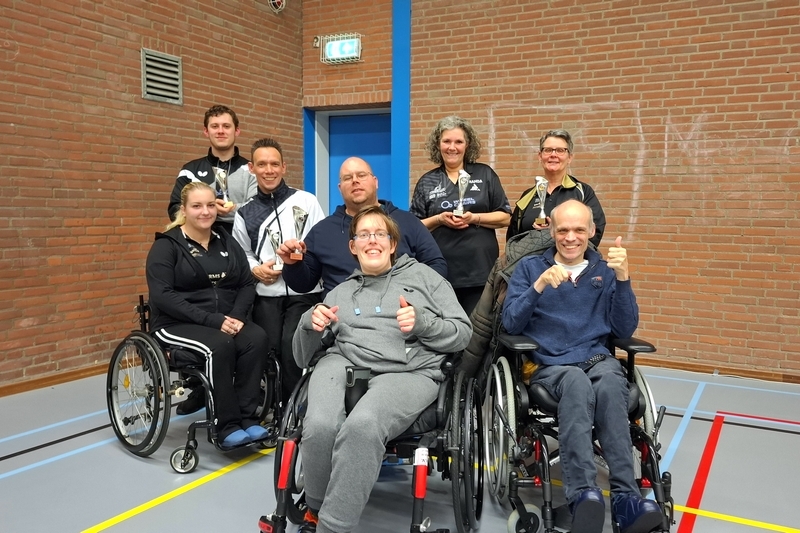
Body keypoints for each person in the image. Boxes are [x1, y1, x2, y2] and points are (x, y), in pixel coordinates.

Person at [292, 205, 472, 533]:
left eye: (380, 234)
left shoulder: (425, 278)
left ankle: (331, 527)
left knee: (363, 425)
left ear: (392, 244)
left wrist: (423, 324)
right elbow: (303, 359)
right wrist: (308, 324)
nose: (372, 240)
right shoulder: (339, 292)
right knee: (318, 425)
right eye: (364, 235)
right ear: (353, 246)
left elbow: (463, 334)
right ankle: (315, 506)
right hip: (344, 362)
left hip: (409, 371)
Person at [501, 200, 662, 533]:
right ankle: (583, 494)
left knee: (611, 383)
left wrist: (623, 278)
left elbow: (624, 329)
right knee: (576, 382)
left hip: (597, 359)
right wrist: (539, 286)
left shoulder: (605, 269)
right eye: (563, 230)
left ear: (591, 231)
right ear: (551, 231)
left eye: (578, 230)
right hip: (552, 365)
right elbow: (511, 323)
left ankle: (626, 499)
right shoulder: (531, 268)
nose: (570, 237)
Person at [146, 182, 270, 448]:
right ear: (183, 210)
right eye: (197, 206)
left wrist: (237, 316)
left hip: (224, 320)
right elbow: (163, 295)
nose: (205, 211)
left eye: (211, 205)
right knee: (219, 345)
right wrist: (214, 321)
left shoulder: (226, 241)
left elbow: (246, 283)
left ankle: (247, 419)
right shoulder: (167, 246)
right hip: (175, 323)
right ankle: (225, 426)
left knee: (256, 338)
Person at [232, 137, 325, 407]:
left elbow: (320, 243)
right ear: (252, 168)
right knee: (269, 349)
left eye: (274, 164)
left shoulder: (306, 201)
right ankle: (274, 407)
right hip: (267, 295)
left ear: (284, 167)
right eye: (262, 164)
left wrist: (303, 261)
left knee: (292, 348)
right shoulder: (245, 213)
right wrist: (256, 269)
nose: (269, 170)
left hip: (305, 292)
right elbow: (242, 254)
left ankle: (294, 411)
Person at [279, 157, 448, 296]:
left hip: (400, 313)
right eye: (347, 178)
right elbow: (303, 285)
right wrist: (292, 264)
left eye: (361, 175)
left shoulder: (407, 222)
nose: (355, 181)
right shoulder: (322, 232)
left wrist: (412, 296)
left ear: (375, 182)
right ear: (340, 188)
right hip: (341, 318)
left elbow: (436, 265)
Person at [410, 115, 511, 315]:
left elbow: (506, 217)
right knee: (446, 327)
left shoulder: (485, 174)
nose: (452, 147)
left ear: (467, 145)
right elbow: (413, 228)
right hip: (440, 273)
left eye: (458, 142)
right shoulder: (427, 181)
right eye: (446, 141)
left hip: (481, 272)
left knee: (478, 329)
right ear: (438, 144)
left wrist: (474, 218)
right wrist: (439, 219)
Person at [506, 129, 606, 247]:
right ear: (540, 156)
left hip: (568, 257)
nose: (553, 155)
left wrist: (552, 235)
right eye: (548, 150)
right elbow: (513, 237)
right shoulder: (528, 195)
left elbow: (595, 231)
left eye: (560, 150)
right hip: (530, 259)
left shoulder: (583, 192)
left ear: (570, 157)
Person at [167, 105, 257, 234]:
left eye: (226, 126)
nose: (220, 131)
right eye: (215, 126)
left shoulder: (252, 170)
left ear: (237, 131)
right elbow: (175, 211)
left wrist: (228, 209)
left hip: (242, 243)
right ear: (206, 131)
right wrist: (210, 208)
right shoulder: (190, 171)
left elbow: (258, 210)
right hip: (201, 242)